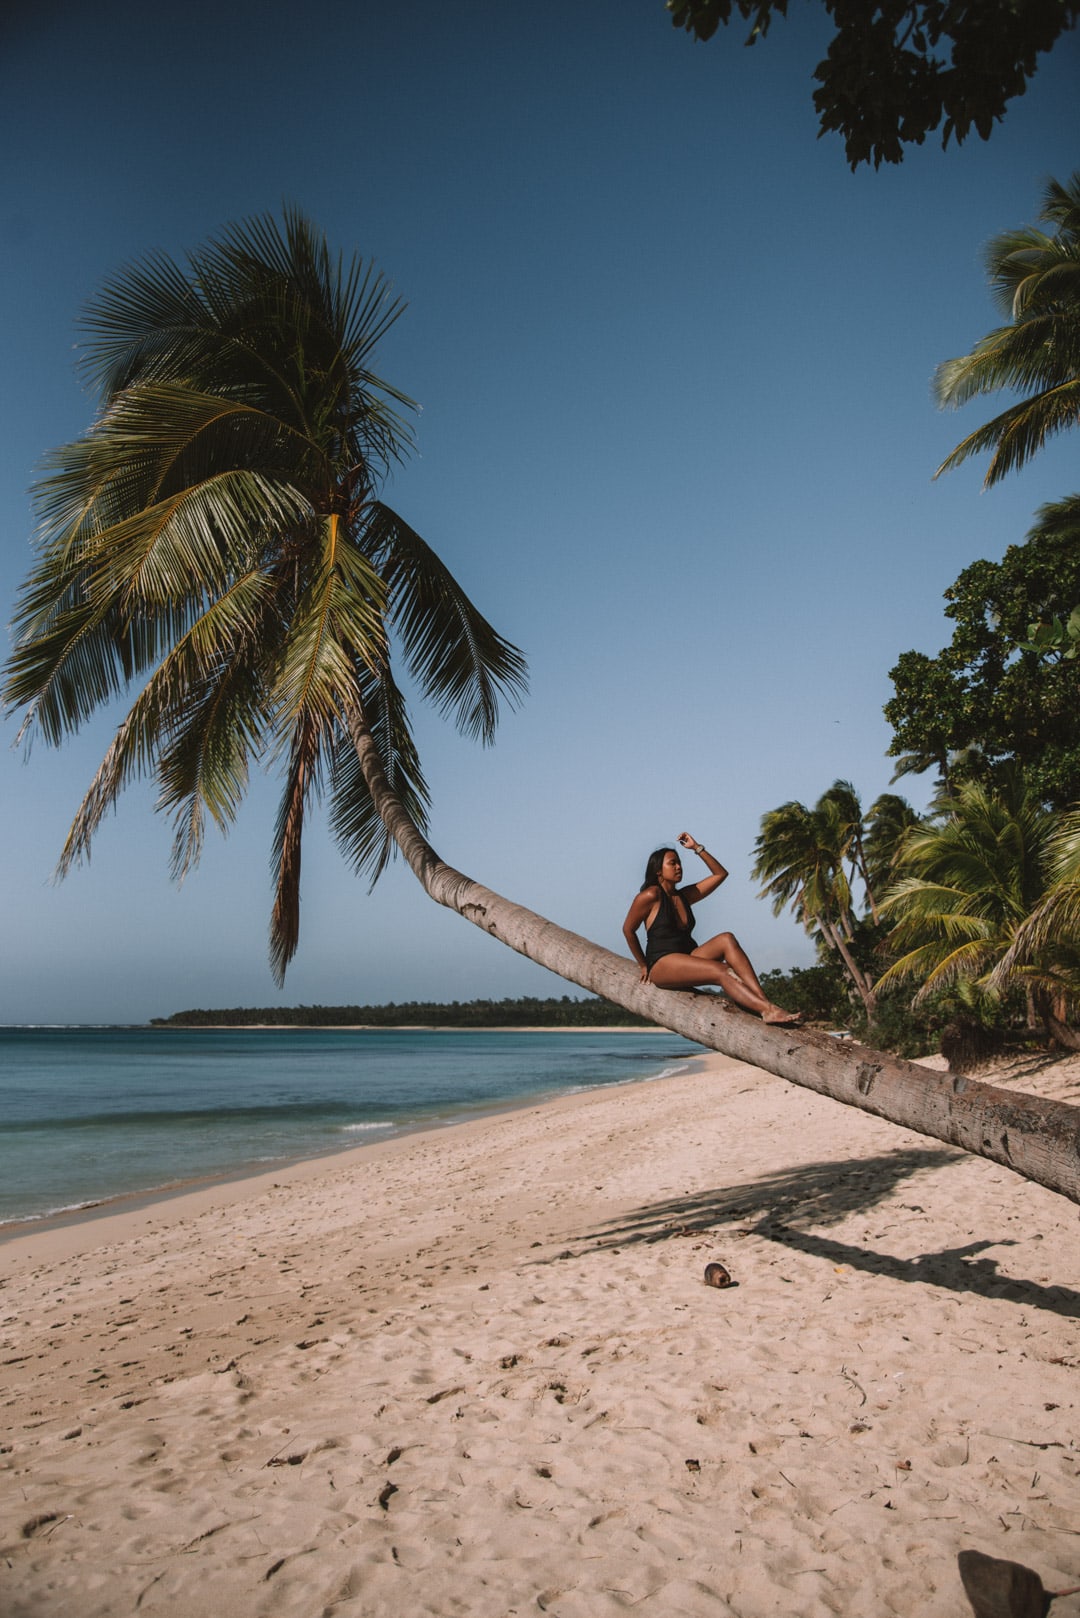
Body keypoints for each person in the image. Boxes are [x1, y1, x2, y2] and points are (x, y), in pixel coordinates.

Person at [622, 832, 802, 1026]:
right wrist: (643, 964)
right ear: (658, 870)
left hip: (689, 956)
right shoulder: (651, 895)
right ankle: (766, 1009)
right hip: (662, 963)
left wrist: (696, 848)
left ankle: (765, 1005)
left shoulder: (684, 896)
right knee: (722, 970)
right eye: (672, 863)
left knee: (727, 939)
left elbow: (720, 874)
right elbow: (628, 930)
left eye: (679, 863)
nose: (679, 867)